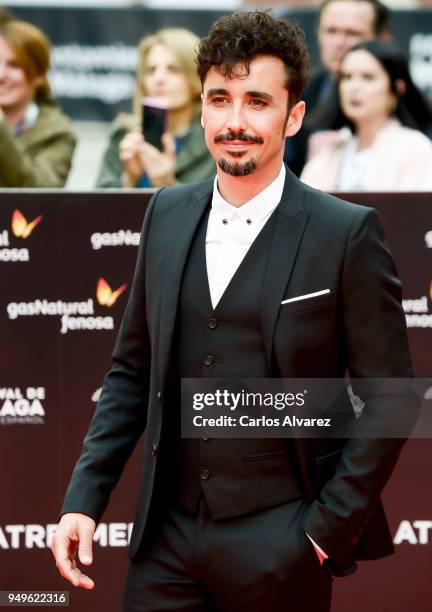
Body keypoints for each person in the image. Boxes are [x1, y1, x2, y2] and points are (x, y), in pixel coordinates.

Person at [51, 11, 414, 612]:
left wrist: (323, 532)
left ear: (293, 115)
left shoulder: (344, 233)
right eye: (219, 99)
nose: (235, 121)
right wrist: (82, 499)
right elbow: (130, 375)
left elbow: (391, 396)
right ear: (201, 109)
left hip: (283, 538)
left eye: (257, 101)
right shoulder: (165, 213)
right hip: (164, 542)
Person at [301, 40, 432, 190]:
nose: (354, 87)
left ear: (397, 89)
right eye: (347, 77)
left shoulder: (416, 148)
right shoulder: (329, 151)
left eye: (368, 77)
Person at [96, 28, 214, 188]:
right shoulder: (123, 134)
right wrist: (129, 180)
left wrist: (165, 183)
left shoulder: (214, 141)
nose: (158, 78)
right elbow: (95, 209)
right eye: (151, 70)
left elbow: (211, 209)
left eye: (173, 69)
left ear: (196, 79)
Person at [283, 0, 390, 176]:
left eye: (353, 33)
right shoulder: (297, 93)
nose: (339, 43)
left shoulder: (410, 111)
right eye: (331, 31)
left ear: (382, 39)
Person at [0, 20, 76, 188]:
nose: (1, 75)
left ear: (40, 75)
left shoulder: (58, 134)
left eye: (14, 65)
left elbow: (39, 193)